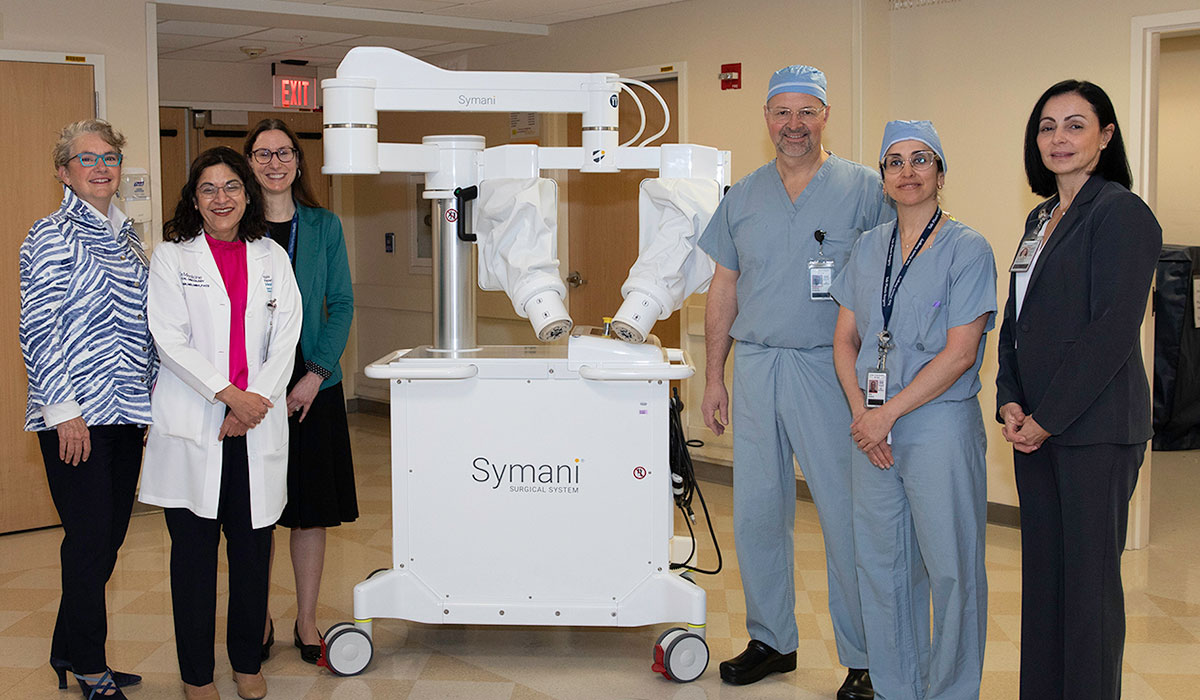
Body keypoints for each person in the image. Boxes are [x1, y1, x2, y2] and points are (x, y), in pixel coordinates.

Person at [697, 64, 890, 695]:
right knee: (756, 512)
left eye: (807, 112)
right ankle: (772, 639)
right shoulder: (743, 196)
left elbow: (901, 268)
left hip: (829, 369)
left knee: (843, 514)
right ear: (767, 118)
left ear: (825, 116)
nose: (794, 125)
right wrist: (713, 377)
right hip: (755, 364)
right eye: (783, 112)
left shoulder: (865, 189)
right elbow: (723, 286)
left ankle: (864, 659)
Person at [996, 80, 1161, 700]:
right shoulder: (1041, 219)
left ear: (1106, 136)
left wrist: (1049, 417)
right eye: (1046, 127)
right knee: (1046, 584)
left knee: (1088, 592)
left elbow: (1112, 332)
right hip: (1034, 429)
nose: (1058, 139)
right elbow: (1016, 317)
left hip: (1093, 432)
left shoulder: (1121, 212)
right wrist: (1010, 398)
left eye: (1075, 124)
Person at [831, 121, 996, 699]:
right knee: (881, 566)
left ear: (941, 174)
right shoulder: (868, 246)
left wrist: (886, 414)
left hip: (937, 427)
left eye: (920, 160)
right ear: (882, 178)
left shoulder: (967, 248)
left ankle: (951, 691)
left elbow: (959, 354)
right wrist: (862, 413)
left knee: (951, 570)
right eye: (894, 162)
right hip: (871, 429)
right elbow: (845, 338)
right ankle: (898, 688)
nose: (907, 171)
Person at [139, 147, 302, 700]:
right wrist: (230, 395)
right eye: (208, 188)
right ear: (193, 198)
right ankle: (196, 676)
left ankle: (246, 664)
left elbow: (287, 336)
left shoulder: (270, 256)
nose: (221, 198)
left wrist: (252, 402)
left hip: (254, 427)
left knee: (253, 554)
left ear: (247, 193)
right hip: (197, 423)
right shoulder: (172, 257)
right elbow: (169, 338)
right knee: (193, 561)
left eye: (232, 186)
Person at [19, 119, 155, 700]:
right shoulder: (49, 235)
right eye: (87, 159)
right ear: (63, 171)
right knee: (89, 538)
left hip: (127, 413)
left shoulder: (126, 235)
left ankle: (68, 650)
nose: (101, 168)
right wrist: (62, 409)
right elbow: (39, 327)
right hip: (76, 418)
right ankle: (91, 665)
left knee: (109, 536)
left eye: (110, 158)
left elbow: (142, 325)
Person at [242, 119, 356, 664]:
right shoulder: (233, 226)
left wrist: (314, 373)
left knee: (309, 510)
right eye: (262, 153)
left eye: (284, 152)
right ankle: (256, 616)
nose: (274, 162)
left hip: (313, 384)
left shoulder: (323, 225)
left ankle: (306, 621)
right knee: (256, 509)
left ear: (298, 161)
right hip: (250, 389)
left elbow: (341, 304)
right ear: (248, 162)